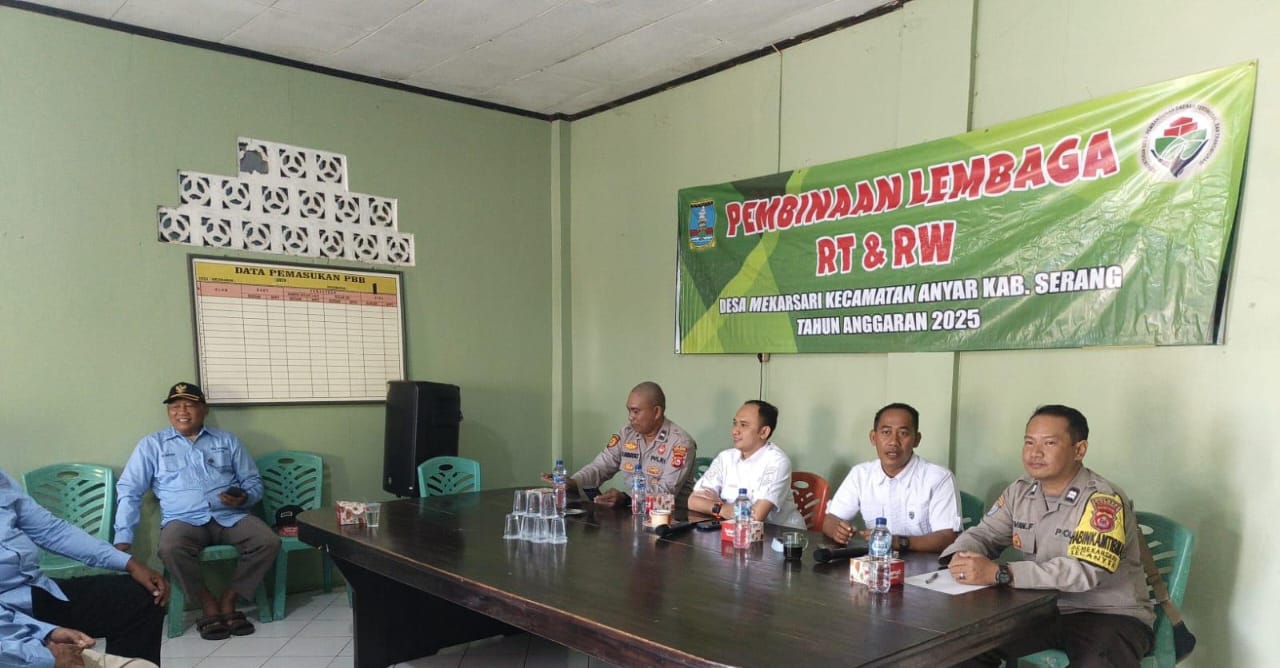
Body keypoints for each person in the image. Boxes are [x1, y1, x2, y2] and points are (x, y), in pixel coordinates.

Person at [942, 405, 1154, 667]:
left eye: (1049, 443)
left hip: (1108, 614)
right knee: (962, 647)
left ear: (1079, 450)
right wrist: (960, 556)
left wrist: (1002, 573)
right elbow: (986, 533)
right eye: (1029, 442)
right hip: (1042, 610)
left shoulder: (1102, 500)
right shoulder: (1020, 491)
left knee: (1097, 661)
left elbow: (1085, 572)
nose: (1035, 453)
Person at [114, 382, 281, 642]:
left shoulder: (227, 441)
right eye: (174, 406)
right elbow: (129, 490)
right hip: (183, 520)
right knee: (170, 548)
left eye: (189, 405)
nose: (181, 411)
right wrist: (123, 536)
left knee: (268, 541)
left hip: (230, 516)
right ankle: (207, 603)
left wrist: (244, 497)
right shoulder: (152, 445)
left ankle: (230, 598)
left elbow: (253, 482)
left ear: (204, 409)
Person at [1, 468, 167, 668]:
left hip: (32, 591)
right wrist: (46, 652)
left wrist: (129, 563)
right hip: (7, 618)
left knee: (139, 596)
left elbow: (52, 530)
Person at [821, 403, 961, 552]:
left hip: (926, 564)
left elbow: (948, 538)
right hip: (876, 561)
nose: (894, 442)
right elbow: (830, 519)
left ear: (917, 440)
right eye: (886, 432)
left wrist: (899, 542)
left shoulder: (939, 478)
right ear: (873, 437)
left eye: (903, 433)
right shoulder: (860, 474)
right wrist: (837, 530)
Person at [548, 382, 698, 509]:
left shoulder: (680, 443)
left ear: (657, 412)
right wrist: (574, 482)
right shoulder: (627, 434)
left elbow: (666, 495)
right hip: (633, 514)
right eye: (629, 411)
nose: (630, 417)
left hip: (672, 520)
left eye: (636, 411)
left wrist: (627, 499)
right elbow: (601, 466)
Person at [687, 400, 806, 529]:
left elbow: (755, 516)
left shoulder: (778, 462)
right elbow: (693, 501)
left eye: (743, 425)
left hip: (780, 535)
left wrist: (713, 506)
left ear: (764, 432)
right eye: (735, 423)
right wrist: (722, 509)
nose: (735, 431)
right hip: (734, 531)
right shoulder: (725, 457)